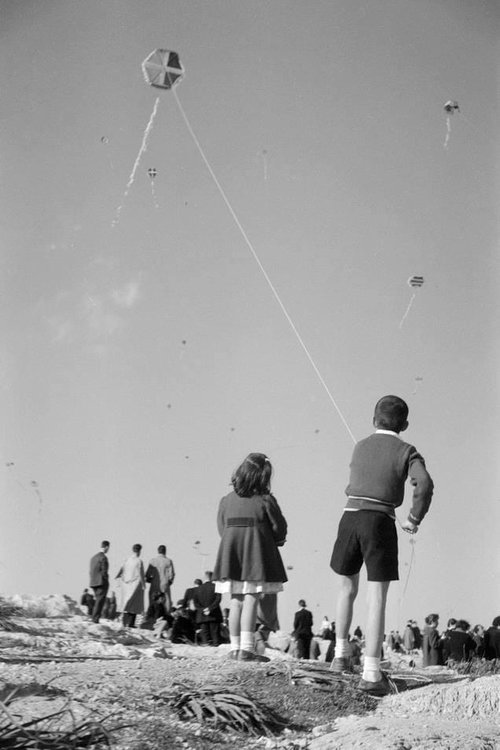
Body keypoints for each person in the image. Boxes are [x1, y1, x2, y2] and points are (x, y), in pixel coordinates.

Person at [330, 395, 434, 696]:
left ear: (374, 419)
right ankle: (371, 673)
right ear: (405, 424)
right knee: (376, 597)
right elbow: (424, 483)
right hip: (380, 521)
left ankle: (340, 655)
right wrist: (414, 518)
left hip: (349, 517)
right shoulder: (407, 450)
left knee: (346, 589)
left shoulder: (360, 445)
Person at [213, 452, 288, 662]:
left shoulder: (226, 500)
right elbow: (279, 528)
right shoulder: (265, 500)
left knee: (235, 601)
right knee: (251, 599)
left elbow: (222, 528)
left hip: (231, 555)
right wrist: (276, 540)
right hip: (255, 555)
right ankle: (247, 649)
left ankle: (235, 648)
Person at [116, 544, 145, 628]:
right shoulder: (139, 561)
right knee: (134, 605)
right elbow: (141, 574)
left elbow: (121, 570)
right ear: (139, 551)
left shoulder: (127, 560)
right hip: (135, 584)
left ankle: (125, 623)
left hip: (126, 584)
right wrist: (143, 585)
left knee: (126, 603)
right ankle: (131, 623)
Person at [192, 571, 223, 646]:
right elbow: (218, 599)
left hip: (202, 615)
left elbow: (195, 603)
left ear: (204, 577)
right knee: (215, 636)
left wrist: (202, 609)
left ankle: (206, 644)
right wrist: (210, 608)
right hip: (214, 614)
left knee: (205, 638)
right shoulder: (216, 587)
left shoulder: (198, 589)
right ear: (212, 577)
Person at [145, 545, 175, 613]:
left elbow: (147, 574)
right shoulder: (168, 561)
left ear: (158, 551)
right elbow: (171, 575)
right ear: (165, 551)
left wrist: (150, 580)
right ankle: (166, 615)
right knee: (166, 601)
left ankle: (152, 615)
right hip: (165, 583)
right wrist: (169, 582)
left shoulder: (153, 561)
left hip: (154, 583)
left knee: (153, 600)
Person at [89, 540, 110, 624]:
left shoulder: (93, 557)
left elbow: (91, 571)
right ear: (106, 547)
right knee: (100, 601)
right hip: (101, 582)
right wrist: (106, 580)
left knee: (97, 600)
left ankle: (94, 617)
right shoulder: (103, 557)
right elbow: (104, 571)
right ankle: (95, 619)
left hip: (93, 582)